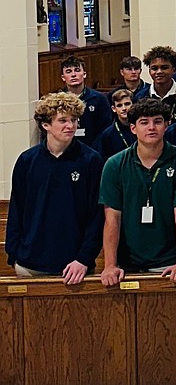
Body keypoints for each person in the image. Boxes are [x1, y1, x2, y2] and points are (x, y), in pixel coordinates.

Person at [7, 92, 104, 282]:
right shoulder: (27, 161)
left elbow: (97, 214)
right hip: (29, 264)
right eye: (63, 120)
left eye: (74, 120)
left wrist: (84, 258)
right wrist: (14, 255)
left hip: (75, 267)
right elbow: (17, 210)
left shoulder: (91, 160)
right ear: (46, 125)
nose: (71, 126)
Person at [99, 98, 176, 285]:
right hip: (128, 262)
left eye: (158, 121)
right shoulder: (114, 164)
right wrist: (110, 264)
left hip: (167, 262)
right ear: (133, 128)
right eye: (144, 122)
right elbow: (112, 218)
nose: (151, 127)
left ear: (167, 125)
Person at [59, 57, 112, 142]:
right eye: (68, 71)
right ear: (63, 77)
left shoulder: (99, 99)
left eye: (77, 70)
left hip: (93, 149)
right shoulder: (57, 101)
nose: (73, 74)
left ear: (84, 74)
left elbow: (105, 130)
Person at [94, 88, 135, 160]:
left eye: (127, 104)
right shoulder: (107, 134)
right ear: (114, 109)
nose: (124, 108)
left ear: (133, 105)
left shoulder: (141, 128)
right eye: (119, 105)